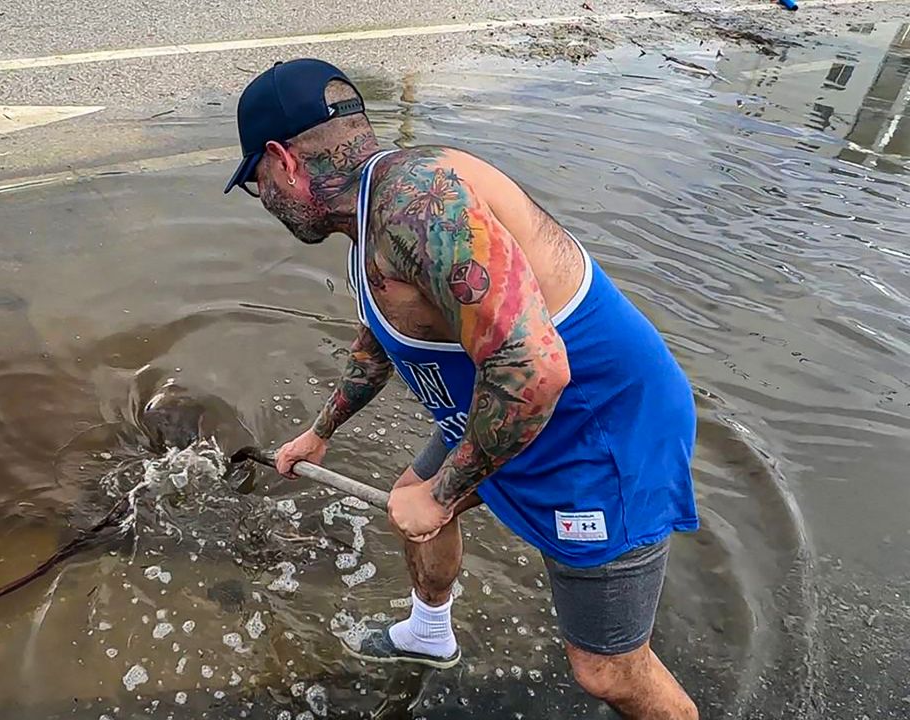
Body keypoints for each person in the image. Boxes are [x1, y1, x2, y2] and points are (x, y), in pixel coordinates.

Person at [224, 59, 701, 720]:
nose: (265, 202)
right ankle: (429, 634)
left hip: (599, 435)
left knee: (609, 671)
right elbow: (381, 337)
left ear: (281, 161)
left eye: (256, 184)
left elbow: (536, 370)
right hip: (503, 408)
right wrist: (321, 433)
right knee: (409, 505)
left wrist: (444, 492)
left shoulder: (420, 204)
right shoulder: (369, 211)